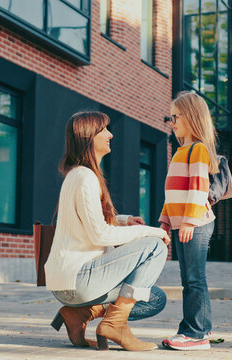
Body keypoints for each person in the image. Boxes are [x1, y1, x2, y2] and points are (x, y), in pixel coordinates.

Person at [45, 111, 171, 351]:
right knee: (155, 246)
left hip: (70, 282)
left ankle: (79, 314)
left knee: (155, 298)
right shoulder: (85, 177)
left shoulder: (78, 175)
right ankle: (114, 324)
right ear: (88, 136)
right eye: (104, 130)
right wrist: (149, 232)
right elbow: (99, 235)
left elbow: (84, 221)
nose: (110, 134)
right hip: (78, 279)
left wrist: (124, 221)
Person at [159, 91, 219, 351]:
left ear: (192, 117)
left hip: (196, 222)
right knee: (187, 279)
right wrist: (165, 221)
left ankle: (198, 334)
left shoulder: (198, 150)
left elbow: (197, 188)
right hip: (183, 222)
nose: (172, 122)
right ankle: (190, 330)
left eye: (176, 117)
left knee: (195, 278)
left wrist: (189, 222)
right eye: (170, 117)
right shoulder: (180, 151)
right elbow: (172, 193)